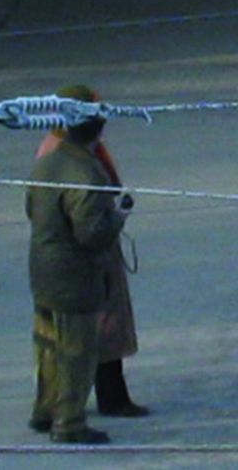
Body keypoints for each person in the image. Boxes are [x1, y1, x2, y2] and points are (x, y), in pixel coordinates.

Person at [25, 84, 127, 445]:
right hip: (75, 276)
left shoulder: (45, 163)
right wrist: (118, 218)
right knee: (77, 352)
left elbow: (30, 208)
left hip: (42, 267)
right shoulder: (86, 172)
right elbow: (90, 233)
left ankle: (45, 409)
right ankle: (69, 422)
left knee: (48, 347)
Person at [89, 121, 148, 419]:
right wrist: (118, 217)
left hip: (77, 256)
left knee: (96, 327)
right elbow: (90, 228)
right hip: (87, 258)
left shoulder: (72, 155)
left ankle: (56, 406)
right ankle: (109, 398)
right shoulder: (78, 163)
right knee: (105, 326)